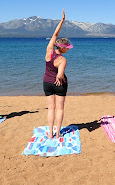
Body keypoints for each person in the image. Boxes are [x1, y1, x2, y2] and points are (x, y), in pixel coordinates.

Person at [43, 10, 73, 139]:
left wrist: (61, 21)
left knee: (51, 108)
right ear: (62, 48)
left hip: (46, 82)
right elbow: (60, 75)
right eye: (67, 47)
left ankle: (50, 133)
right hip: (59, 84)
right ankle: (58, 132)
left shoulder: (49, 50)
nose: (68, 49)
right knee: (60, 108)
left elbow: (55, 34)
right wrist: (58, 77)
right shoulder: (62, 60)